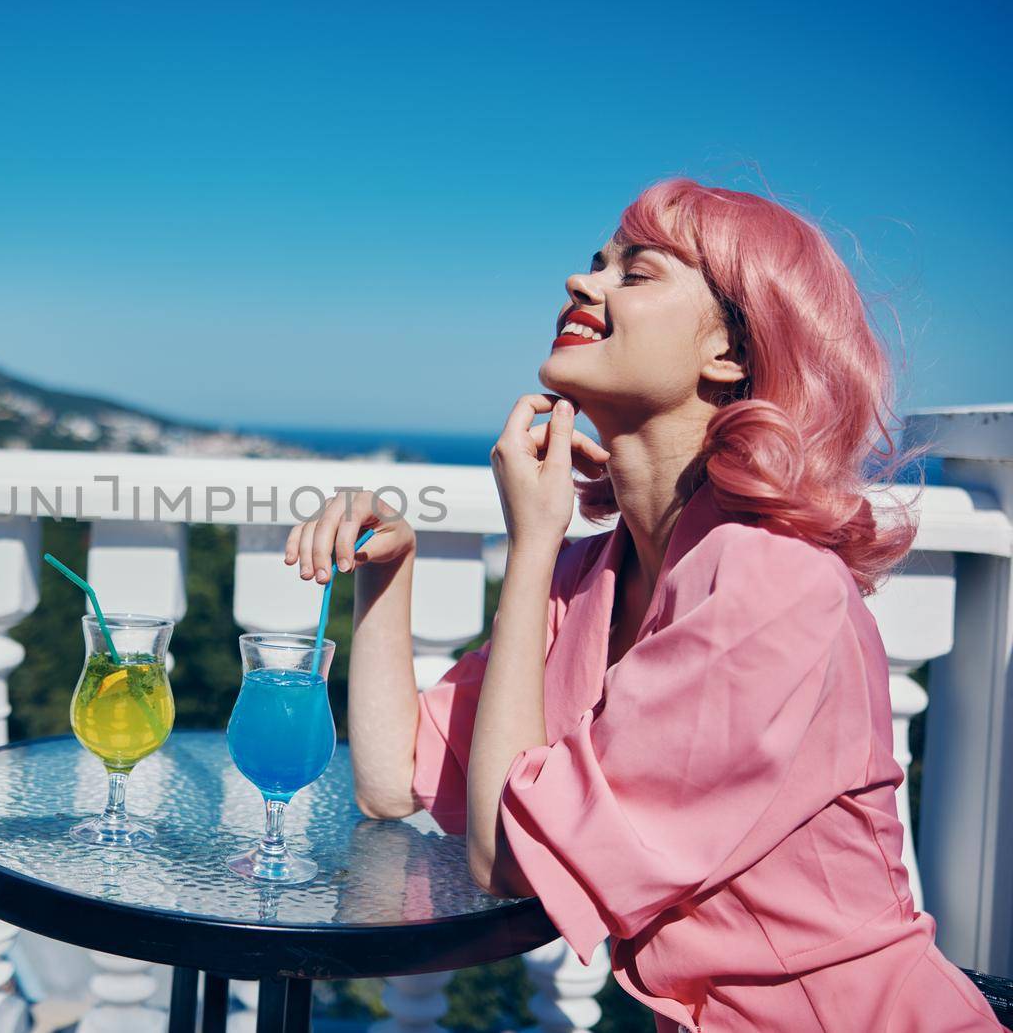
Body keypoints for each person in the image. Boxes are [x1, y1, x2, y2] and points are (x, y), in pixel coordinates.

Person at [285, 179, 1002, 1032]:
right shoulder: (596, 575)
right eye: (596, 264)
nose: (581, 284)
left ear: (728, 354)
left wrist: (532, 542)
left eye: (637, 271)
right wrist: (387, 573)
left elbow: (502, 855)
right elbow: (387, 781)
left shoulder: (772, 583)